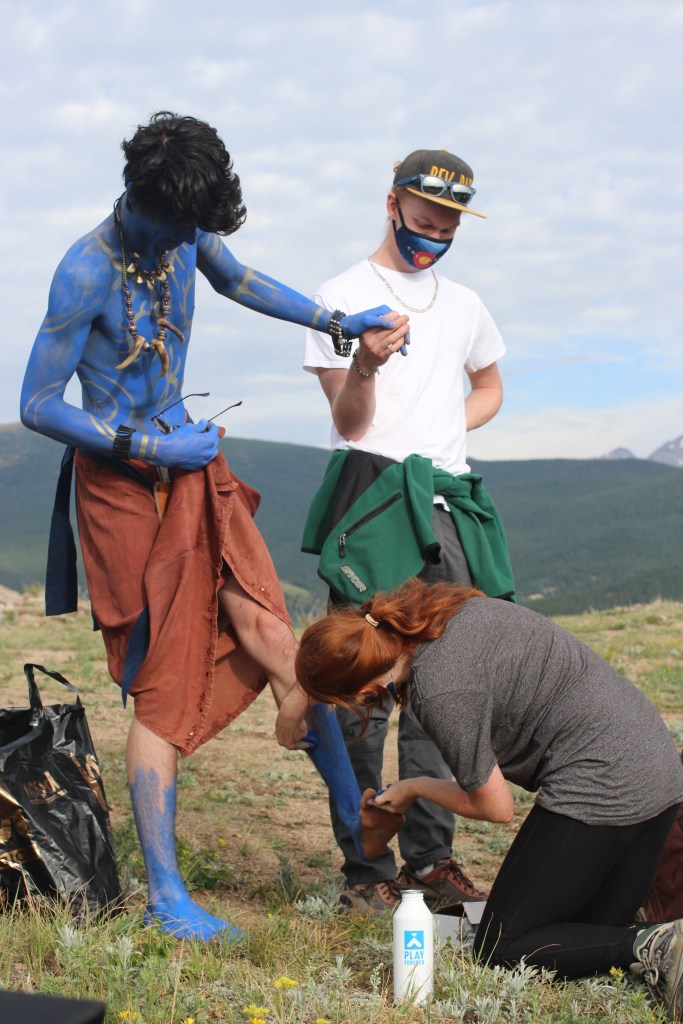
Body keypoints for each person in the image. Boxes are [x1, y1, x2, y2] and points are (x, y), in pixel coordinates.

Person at [20, 111, 400, 941]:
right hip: (123, 486)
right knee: (162, 682)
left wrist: (336, 324)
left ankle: (362, 837)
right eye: (175, 226)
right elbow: (37, 403)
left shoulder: (185, 230)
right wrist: (145, 445)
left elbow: (242, 279)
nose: (183, 243)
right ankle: (165, 897)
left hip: (194, 470)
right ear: (137, 195)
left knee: (274, 633)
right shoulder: (83, 272)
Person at [294, 579, 683, 1020]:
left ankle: (657, 945)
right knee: (584, 936)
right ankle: (660, 943)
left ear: (362, 692)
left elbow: (496, 807)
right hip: (659, 770)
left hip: (603, 780)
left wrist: (413, 788)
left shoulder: (439, 688)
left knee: (502, 946)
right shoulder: (443, 611)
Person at [301, 147, 514, 913]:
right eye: (425, 218)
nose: (436, 234)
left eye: (450, 225)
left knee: (439, 685)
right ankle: (365, 869)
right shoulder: (339, 298)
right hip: (370, 496)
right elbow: (349, 420)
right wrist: (364, 365)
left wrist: (442, 424)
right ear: (391, 203)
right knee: (361, 687)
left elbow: (489, 384)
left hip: (442, 501)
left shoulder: (464, 304)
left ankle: (430, 863)